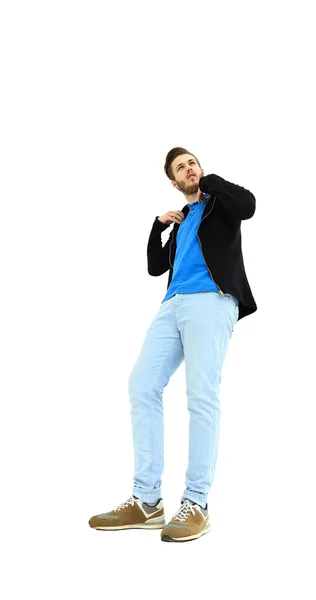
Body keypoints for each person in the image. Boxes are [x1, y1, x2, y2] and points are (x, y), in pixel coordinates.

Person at [89, 147, 257, 542]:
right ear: (173, 182)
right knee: (141, 385)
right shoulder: (182, 225)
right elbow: (154, 266)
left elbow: (249, 205)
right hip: (173, 305)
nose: (189, 168)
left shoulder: (221, 205)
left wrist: (208, 184)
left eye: (193, 162)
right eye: (181, 168)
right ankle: (147, 503)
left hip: (211, 300)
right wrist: (157, 225)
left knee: (201, 394)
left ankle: (196, 502)